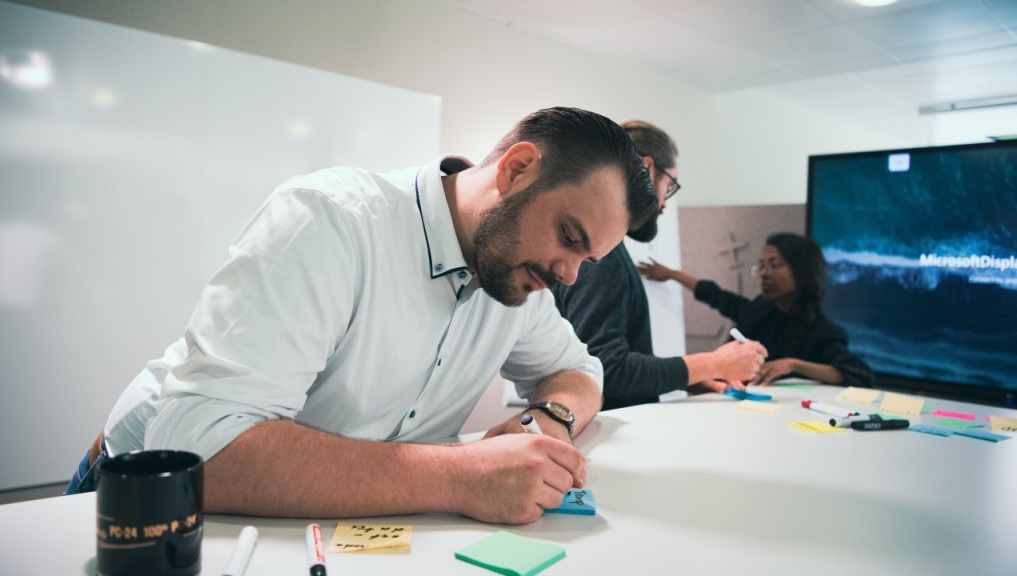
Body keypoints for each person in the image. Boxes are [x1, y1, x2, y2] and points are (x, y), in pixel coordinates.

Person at [65, 107, 658, 526]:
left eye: (588, 258)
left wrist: (548, 422)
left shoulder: (516, 278)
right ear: (516, 169)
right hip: (139, 505)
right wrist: (461, 475)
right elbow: (200, 454)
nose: (569, 275)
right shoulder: (330, 221)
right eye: (569, 237)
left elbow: (581, 372)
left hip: (319, 524)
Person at [551, 120, 767, 410]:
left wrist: (684, 377)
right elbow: (606, 371)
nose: (664, 202)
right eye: (670, 184)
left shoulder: (610, 253)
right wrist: (713, 363)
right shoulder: (602, 257)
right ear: (648, 168)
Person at [638, 232, 875, 388]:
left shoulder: (822, 330)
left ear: (802, 273)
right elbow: (717, 296)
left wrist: (792, 364)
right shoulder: (760, 310)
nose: (764, 273)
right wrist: (672, 274)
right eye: (761, 265)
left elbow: (858, 374)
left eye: (774, 265)